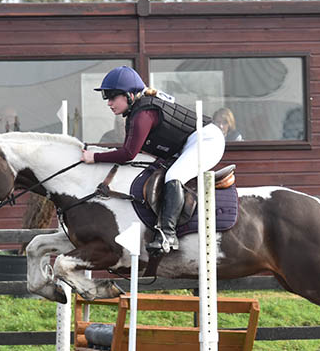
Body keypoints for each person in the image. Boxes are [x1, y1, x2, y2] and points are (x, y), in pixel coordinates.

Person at [81, 66, 225, 254]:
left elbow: (127, 154)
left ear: (129, 95)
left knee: (174, 175)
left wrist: (94, 157)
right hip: (193, 141)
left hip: (207, 140)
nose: (108, 103)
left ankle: (168, 235)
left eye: (112, 97)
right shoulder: (138, 111)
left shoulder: (143, 114)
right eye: (106, 97)